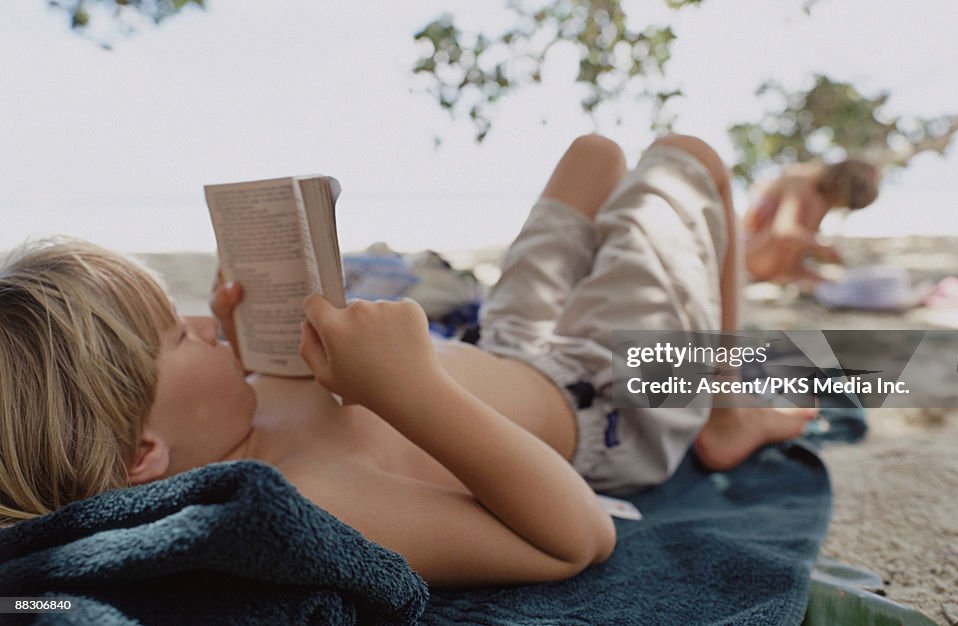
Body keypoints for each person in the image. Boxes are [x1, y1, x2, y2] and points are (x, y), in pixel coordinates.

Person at [0, 134, 815, 587]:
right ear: (147, 456)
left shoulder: (230, 417)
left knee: (595, 156)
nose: (195, 321)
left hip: (510, 344)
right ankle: (724, 410)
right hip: (604, 402)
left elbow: (260, 393)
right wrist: (414, 387)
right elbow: (576, 540)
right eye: (177, 337)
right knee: (686, 159)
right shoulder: (308, 498)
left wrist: (255, 333)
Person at [742, 159, 879, 284]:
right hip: (752, 254)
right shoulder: (799, 182)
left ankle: (790, 272)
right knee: (800, 229)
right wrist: (821, 247)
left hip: (771, 261)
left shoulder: (822, 200)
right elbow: (784, 231)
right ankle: (782, 273)